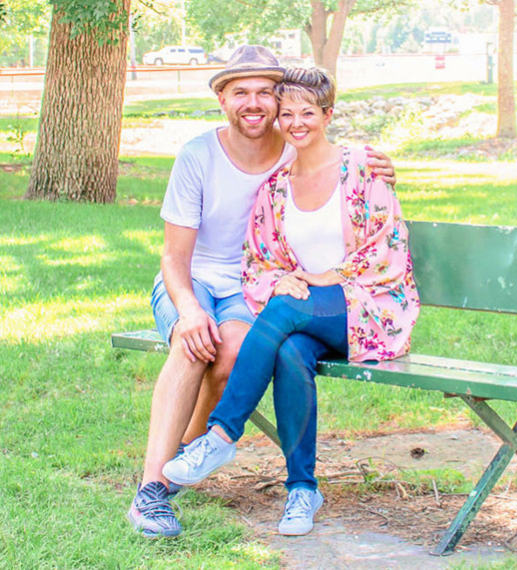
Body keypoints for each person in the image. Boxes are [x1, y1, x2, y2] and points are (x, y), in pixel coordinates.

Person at [127, 47, 396, 539]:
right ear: (222, 99)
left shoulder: (300, 148)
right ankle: (151, 491)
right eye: (240, 92)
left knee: (230, 353)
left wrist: (383, 169)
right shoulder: (199, 156)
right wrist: (187, 310)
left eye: (264, 93)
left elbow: (358, 193)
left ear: (279, 100)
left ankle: (202, 447)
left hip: (271, 292)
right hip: (201, 281)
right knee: (194, 344)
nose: (255, 103)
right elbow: (173, 258)